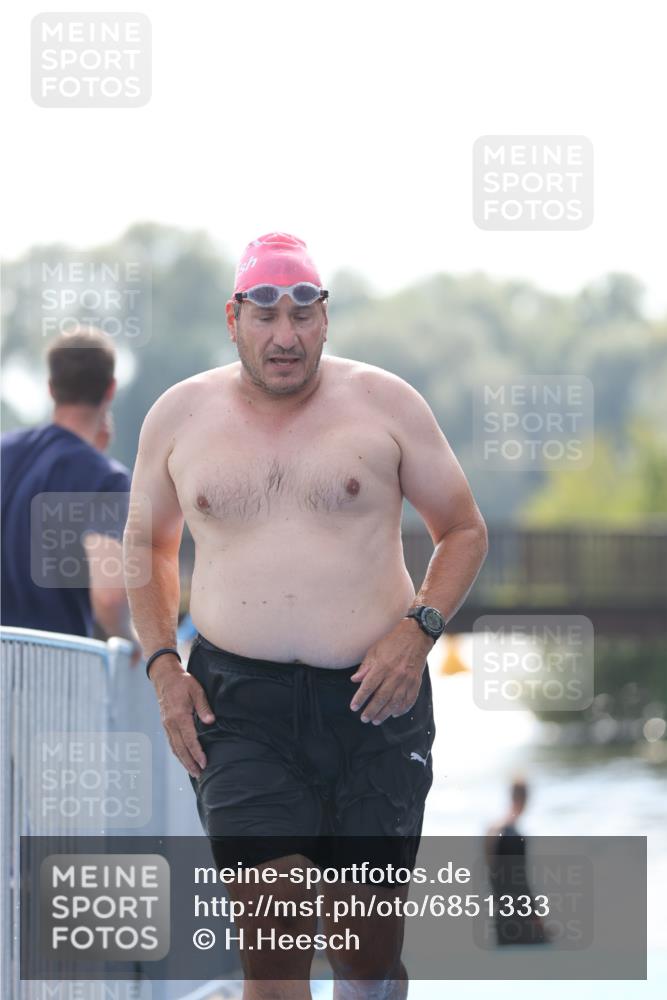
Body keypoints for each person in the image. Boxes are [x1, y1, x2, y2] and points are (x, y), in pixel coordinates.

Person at [124, 233, 488, 999]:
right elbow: (149, 546)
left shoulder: (385, 404)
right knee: (274, 944)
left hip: (374, 702)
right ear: (234, 319)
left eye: (302, 315)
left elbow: (462, 528)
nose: (284, 337)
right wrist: (162, 666)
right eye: (265, 317)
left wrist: (416, 632)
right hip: (238, 708)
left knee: (363, 953)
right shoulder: (179, 415)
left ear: (325, 318)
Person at [1, 326, 135, 644]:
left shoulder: (4, 451)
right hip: (58, 663)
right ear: (110, 389)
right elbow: (109, 598)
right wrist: (136, 647)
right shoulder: (106, 480)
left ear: (50, 388)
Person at [485, 777, 548, 946]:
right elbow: (520, 881)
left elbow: (492, 874)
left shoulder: (493, 829)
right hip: (520, 916)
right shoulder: (512, 834)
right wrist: (535, 916)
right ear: (525, 799)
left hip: (502, 913)